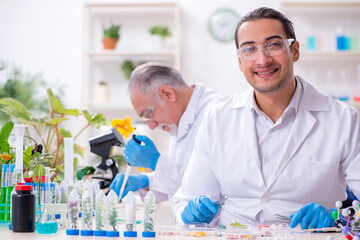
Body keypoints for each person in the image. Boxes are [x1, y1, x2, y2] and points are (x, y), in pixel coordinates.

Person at [173, 7, 360, 229]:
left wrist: (338, 218)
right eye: (249, 49)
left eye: (273, 45)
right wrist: (190, 216)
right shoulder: (217, 119)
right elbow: (187, 201)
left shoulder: (344, 120)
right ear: (240, 61)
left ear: (295, 50)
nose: (262, 59)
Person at [110, 62, 226, 216]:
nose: (151, 126)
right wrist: (146, 181)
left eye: (148, 114)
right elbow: (183, 177)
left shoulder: (218, 114)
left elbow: (207, 182)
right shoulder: (179, 119)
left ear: (168, 94)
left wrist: (156, 162)